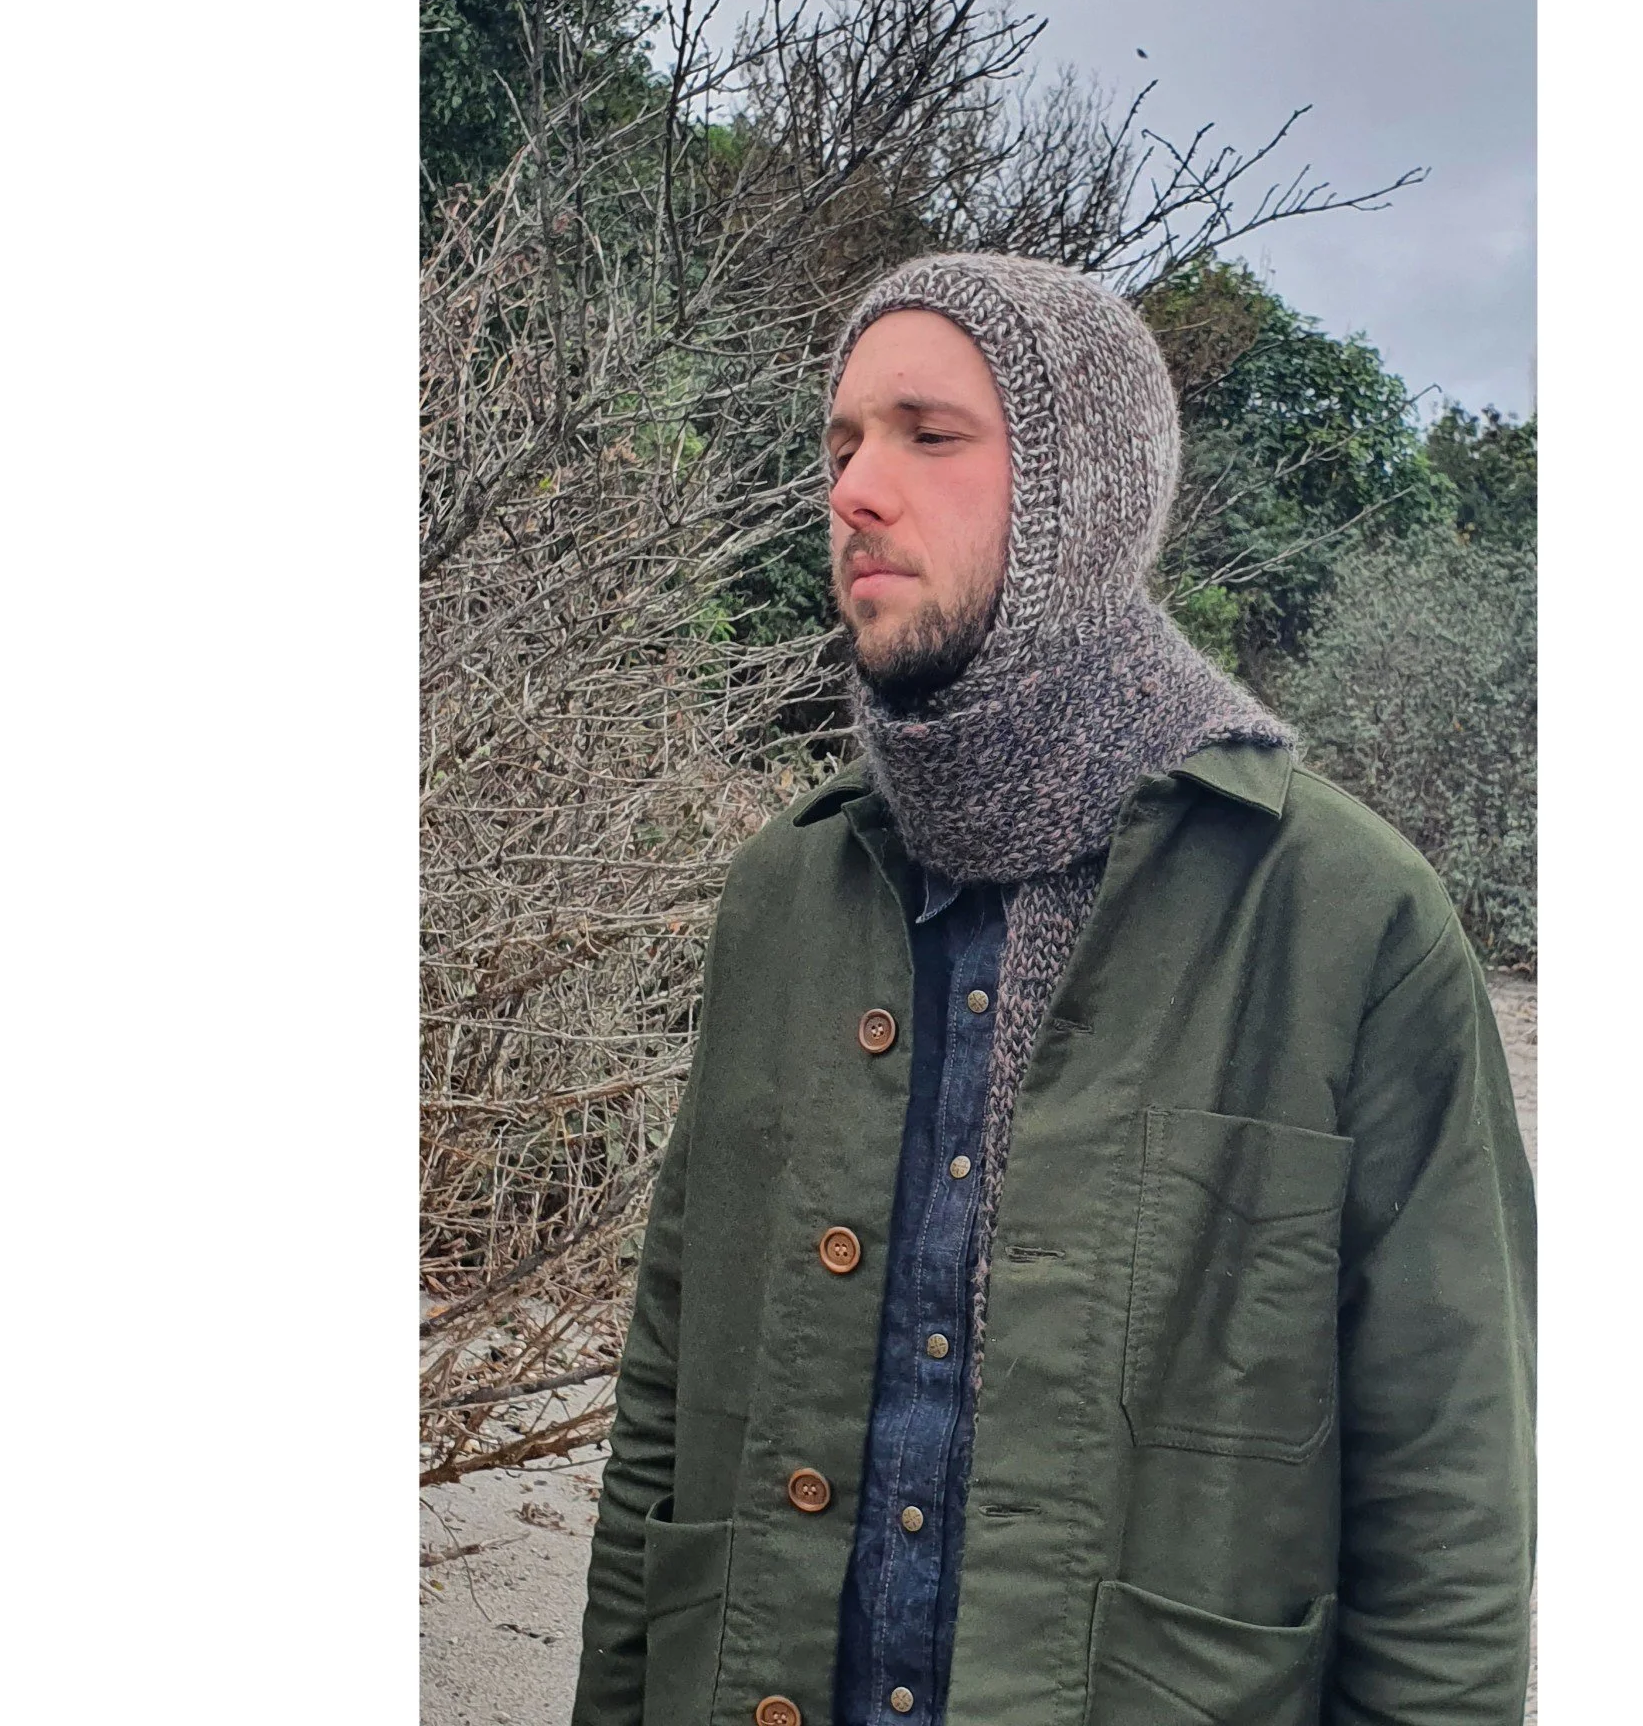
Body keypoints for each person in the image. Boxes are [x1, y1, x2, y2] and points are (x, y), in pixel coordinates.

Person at [571, 253, 1535, 1726]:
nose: (855, 491)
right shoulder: (788, 893)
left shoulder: (1344, 918)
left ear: (1081, 496)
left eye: (928, 436)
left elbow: (1448, 1512)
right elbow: (664, 1402)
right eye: (843, 443)